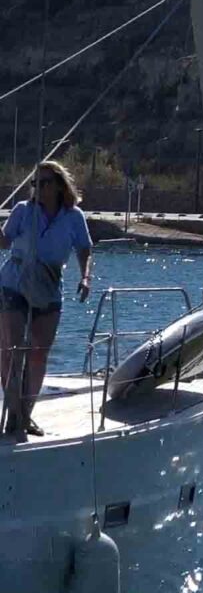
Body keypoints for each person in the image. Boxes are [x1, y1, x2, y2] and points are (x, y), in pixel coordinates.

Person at [0, 161, 94, 439]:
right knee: (12, 350)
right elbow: (5, 241)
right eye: (34, 184)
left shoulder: (73, 216)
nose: (38, 189)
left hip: (49, 284)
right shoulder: (23, 211)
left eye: (44, 183)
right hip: (14, 282)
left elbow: (85, 249)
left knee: (39, 352)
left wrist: (85, 277)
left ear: (58, 185)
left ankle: (25, 414)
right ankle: (14, 411)